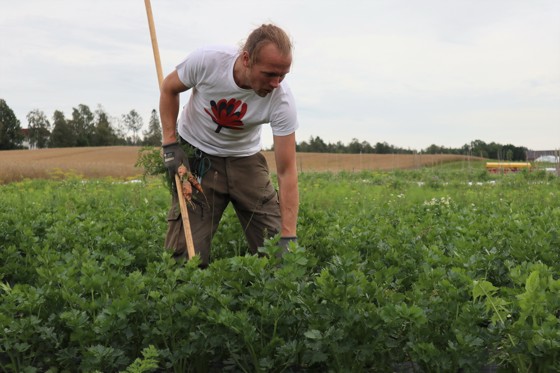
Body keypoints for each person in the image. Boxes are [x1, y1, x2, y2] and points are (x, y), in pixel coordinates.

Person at [159, 24, 299, 267]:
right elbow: (169, 88)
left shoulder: (282, 100)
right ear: (246, 59)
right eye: (269, 74)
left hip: (245, 160)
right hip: (197, 156)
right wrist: (170, 144)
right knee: (185, 259)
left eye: (283, 75)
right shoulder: (208, 62)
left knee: (278, 253)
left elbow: (287, 171)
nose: (276, 83)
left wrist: (288, 234)